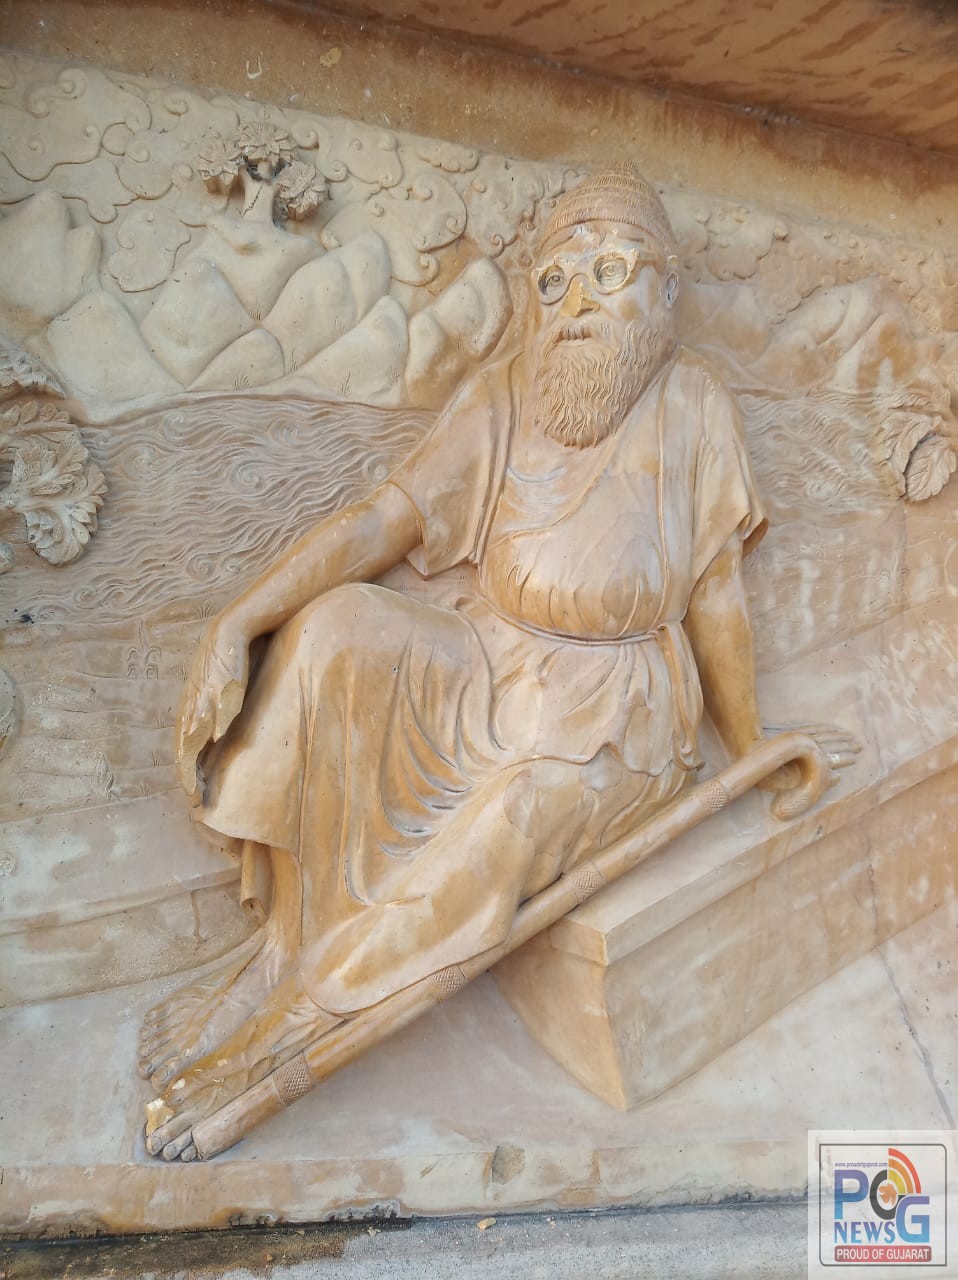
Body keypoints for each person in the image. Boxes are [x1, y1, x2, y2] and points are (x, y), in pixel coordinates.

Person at [142, 165, 851, 1160]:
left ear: (664, 288)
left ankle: (303, 1019)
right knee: (339, 628)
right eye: (556, 279)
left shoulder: (693, 403)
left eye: (610, 270)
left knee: (509, 815)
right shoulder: (508, 390)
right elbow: (381, 522)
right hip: (491, 660)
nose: (579, 301)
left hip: (616, 713)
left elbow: (717, 597)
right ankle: (284, 949)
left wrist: (749, 744)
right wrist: (239, 621)